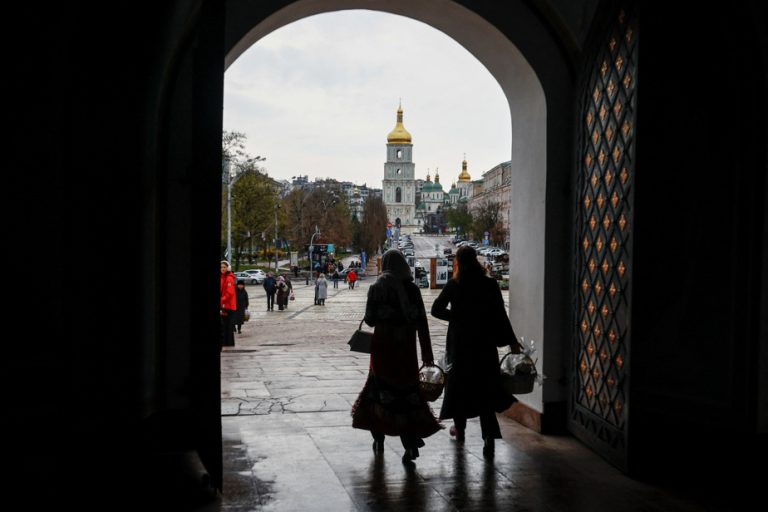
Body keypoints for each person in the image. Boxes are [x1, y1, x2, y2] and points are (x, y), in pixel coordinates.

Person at [430, 245, 520, 457]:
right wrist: (512, 342)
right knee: (485, 391)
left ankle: (459, 429)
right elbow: (500, 315)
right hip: (484, 345)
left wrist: (457, 317)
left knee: (460, 388)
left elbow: (436, 309)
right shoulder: (490, 285)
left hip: (461, 346)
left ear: (458, 263)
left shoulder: (455, 284)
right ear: (477, 260)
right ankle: (488, 436)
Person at [352, 249, 441, 463]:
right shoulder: (412, 290)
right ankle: (410, 445)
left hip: (383, 350)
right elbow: (422, 323)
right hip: (406, 351)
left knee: (378, 395)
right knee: (407, 397)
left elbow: (370, 320)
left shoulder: (377, 288)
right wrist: (427, 354)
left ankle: (379, 438)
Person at [220, 260, 237, 347]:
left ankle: (229, 343)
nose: (222, 269)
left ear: (228, 268)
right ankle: (226, 343)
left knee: (228, 326)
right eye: (221, 267)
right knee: (225, 326)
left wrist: (221, 300)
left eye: (224, 267)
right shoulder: (222, 277)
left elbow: (229, 293)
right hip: (224, 305)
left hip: (228, 306)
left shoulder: (229, 278)